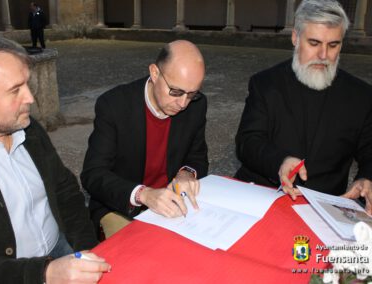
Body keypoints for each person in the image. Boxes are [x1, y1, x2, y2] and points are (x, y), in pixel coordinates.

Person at [0, 35, 110, 283]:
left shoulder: (28, 128)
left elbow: (65, 190)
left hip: (62, 249)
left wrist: (86, 248)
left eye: (27, 84)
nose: (30, 98)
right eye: (15, 90)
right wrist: (44, 274)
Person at [234, 0, 372, 212]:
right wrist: (280, 162)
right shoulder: (265, 84)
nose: (324, 55)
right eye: (314, 43)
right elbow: (248, 142)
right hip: (264, 197)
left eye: (333, 45)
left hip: (324, 207)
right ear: (295, 38)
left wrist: (366, 177)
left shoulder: (361, 95)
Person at [81, 40, 209, 238]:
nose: (183, 103)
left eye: (192, 94)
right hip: (120, 206)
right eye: (175, 92)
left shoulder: (196, 105)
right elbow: (93, 174)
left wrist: (187, 174)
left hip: (172, 203)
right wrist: (143, 194)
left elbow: (198, 157)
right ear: (155, 73)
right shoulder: (114, 105)